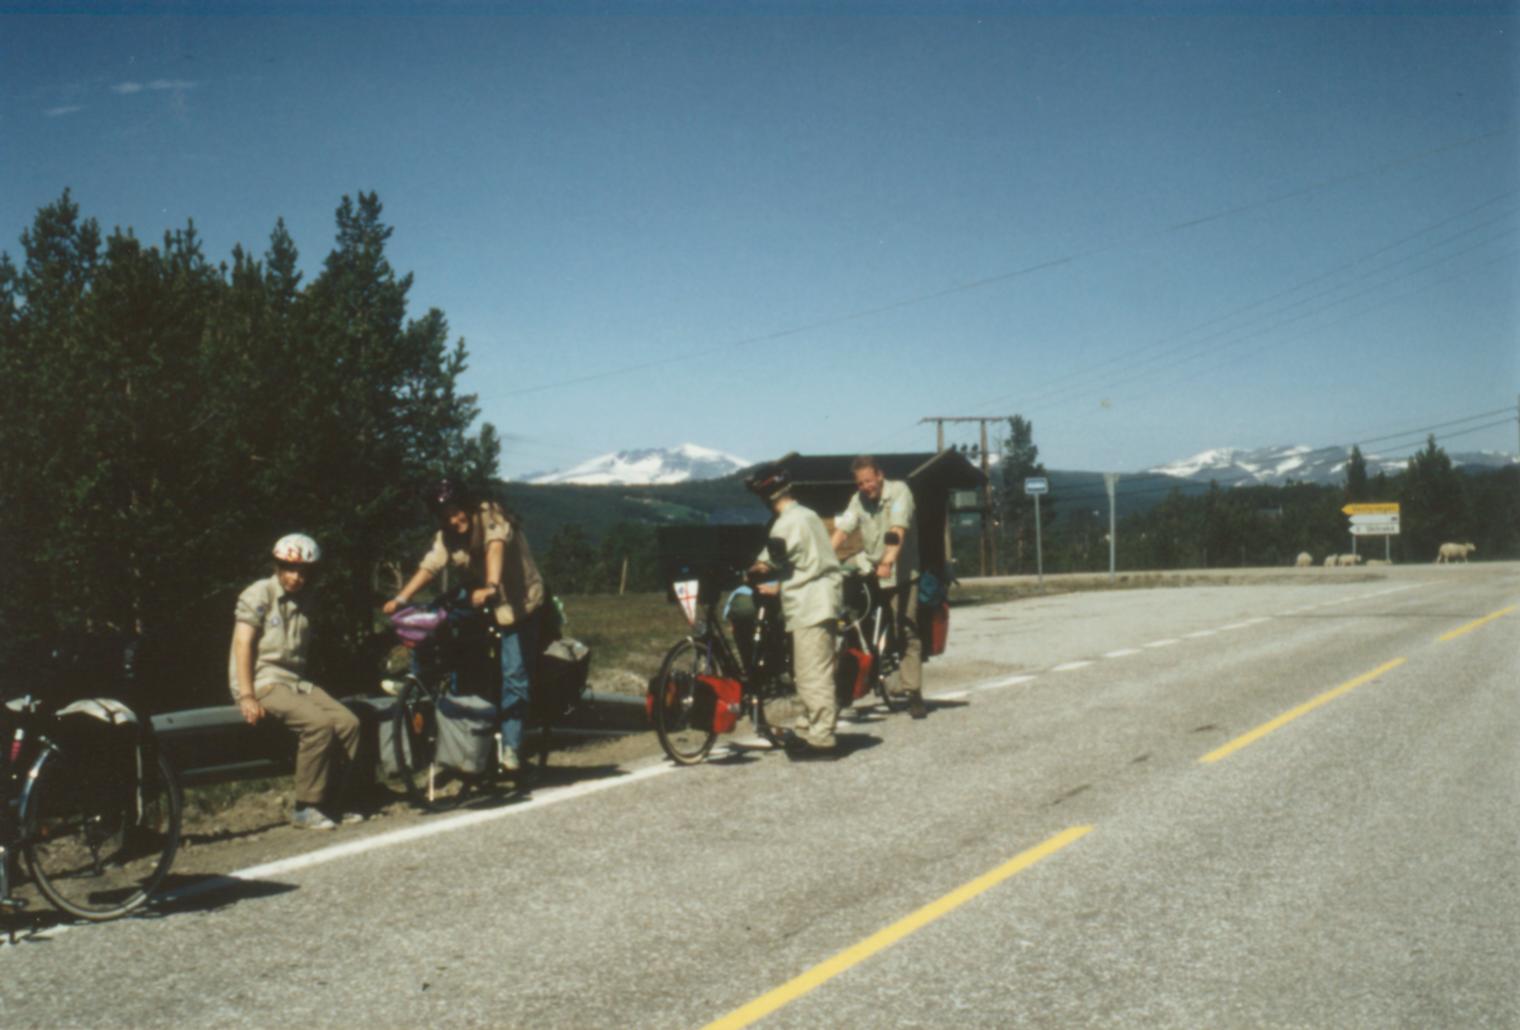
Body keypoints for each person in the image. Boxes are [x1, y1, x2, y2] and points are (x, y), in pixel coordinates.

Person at [384, 479, 546, 774]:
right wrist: (401, 598)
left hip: (518, 603)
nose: (455, 521)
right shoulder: (446, 536)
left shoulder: (492, 515)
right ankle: (419, 678)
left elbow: (495, 549)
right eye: (447, 517)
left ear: (469, 508)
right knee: (435, 616)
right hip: (480, 597)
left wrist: (493, 585)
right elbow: (430, 566)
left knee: (514, 674)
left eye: (459, 514)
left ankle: (512, 746)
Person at [230, 533, 363, 830]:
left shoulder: (307, 601)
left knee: (348, 723)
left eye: (303, 571)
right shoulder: (259, 594)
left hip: (295, 681)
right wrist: (247, 695)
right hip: (263, 680)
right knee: (318, 724)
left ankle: (335, 801)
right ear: (278, 566)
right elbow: (243, 645)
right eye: (290, 568)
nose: (296, 576)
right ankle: (306, 806)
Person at [746, 463, 844, 757]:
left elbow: (769, 563)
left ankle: (822, 738)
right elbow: (804, 560)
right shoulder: (807, 514)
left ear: (766, 495)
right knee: (809, 670)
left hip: (810, 602)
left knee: (812, 673)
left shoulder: (786, 523)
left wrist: (750, 571)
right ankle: (807, 726)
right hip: (818, 597)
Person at [829, 455, 927, 719]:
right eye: (861, 483)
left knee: (906, 629)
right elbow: (844, 528)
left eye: (869, 481)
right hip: (871, 566)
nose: (866, 487)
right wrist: (825, 556)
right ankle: (846, 690)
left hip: (900, 571)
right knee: (852, 624)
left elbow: (897, 531)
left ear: (880, 475)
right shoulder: (857, 499)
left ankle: (913, 692)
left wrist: (888, 561)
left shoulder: (899, 493)